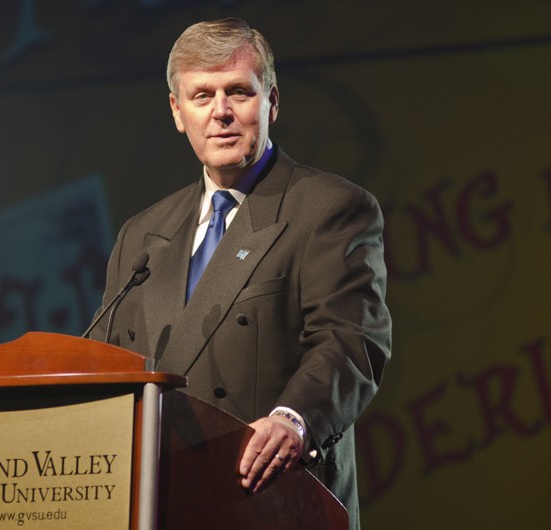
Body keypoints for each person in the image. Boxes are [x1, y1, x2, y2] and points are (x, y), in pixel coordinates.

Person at [91, 17, 391, 529]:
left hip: (273, 499)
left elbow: (351, 341)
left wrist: (294, 421)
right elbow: (107, 364)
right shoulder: (141, 234)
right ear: (177, 112)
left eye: (238, 92)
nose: (221, 113)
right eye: (202, 96)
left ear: (271, 102)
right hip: (162, 504)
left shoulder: (330, 208)